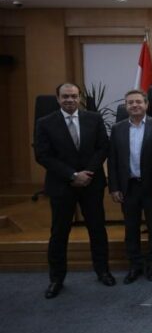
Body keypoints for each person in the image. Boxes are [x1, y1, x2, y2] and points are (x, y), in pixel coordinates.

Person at [34, 83, 114, 299]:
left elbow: (103, 147)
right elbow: (42, 155)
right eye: (65, 96)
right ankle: (56, 279)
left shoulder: (94, 119)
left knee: (97, 230)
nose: (70, 100)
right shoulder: (45, 123)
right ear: (58, 99)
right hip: (62, 185)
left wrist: (87, 173)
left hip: (91, 183)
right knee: (59, 233)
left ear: (79, 98)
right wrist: (72, 175)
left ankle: (103, 271)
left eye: (73, 96)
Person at [107, 89, 152, 284]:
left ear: (146, 104)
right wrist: (114, 187)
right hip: (128, 187)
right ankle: (135, 265)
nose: (134, 105)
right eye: (130, 102)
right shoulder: (118, 128)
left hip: (151, 187)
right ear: (125, 106)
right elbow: (113, 160)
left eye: (138, 102)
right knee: (131, 228)